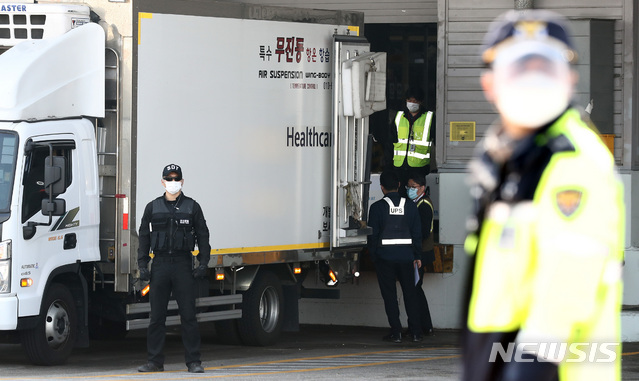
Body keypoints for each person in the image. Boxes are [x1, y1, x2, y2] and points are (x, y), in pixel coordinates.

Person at [462, 10, 624, 381]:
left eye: (545, 69)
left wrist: (528, 367)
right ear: (490, 84)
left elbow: (567, 283)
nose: (532, 82)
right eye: (518, 70)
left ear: (571, 80)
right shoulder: (509, 160)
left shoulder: (572, 160)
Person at [137, 164, 211, 374]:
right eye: (169, 179)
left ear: (182, 181)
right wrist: (142, 264)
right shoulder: (153, 207)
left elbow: (203, 235)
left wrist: (203, 262)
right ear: (162, 182)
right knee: (156, 317)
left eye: (176, 178)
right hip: (159, 264)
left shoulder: (192, 206)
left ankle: (194, 362)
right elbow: (143, 237)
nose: (172, 182)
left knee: (188, 315)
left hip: (182, 265)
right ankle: (154, 362)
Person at [368, 170, 423, 343]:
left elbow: (372, 236)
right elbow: (417, 233)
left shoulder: (376, 208)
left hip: (385, 258)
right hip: (407, 257)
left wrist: (374, 256)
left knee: (390, 296)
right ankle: (415, 332)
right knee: (410, 294)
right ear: (399, 185)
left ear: (381, 187)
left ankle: (396, 332)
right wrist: (417, 255)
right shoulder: (411, 206)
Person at [406, 172, 434, 336]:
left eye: (413, 187)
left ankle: (419, 326)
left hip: (420, 254)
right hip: (418, 253)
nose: (410, 190)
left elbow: (422, 232)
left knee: (414, 291)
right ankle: (424, 325)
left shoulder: (423, 205)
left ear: (422, 188)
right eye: (408, 187)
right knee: (416, 291)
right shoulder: (415, 203)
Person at [391, 87, 434, 194]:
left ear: (421, 102)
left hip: (419, 168)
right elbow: (390, 141)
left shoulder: (429, 118)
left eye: (415, 101)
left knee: (416, 197)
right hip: (399, 167)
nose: (412, 103)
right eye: (409, 100)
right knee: (400, 196)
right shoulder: (398, 116)